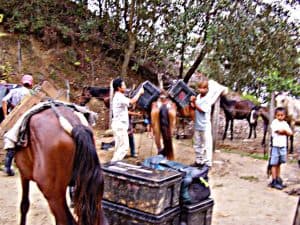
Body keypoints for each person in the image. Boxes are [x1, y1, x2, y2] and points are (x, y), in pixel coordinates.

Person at [2, 74, 34, 176]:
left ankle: (8, 166)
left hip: (12, 118)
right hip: (24, 119)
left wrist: (6, 115)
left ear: (21, 82)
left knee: (11, 139)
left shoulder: (14, 91)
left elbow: (4, 100)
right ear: (31, 84)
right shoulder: (30, 93)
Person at [111, 78, 144, 162]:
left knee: (118, 148)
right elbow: (132, 101)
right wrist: (139, 93)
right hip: (120, 126)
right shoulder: (119, 96)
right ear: (119, 88)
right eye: (123, 85)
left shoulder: (119, 96)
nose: (125, 86)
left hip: (118, 125)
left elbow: (125, 111)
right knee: (124, 147)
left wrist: (136, 114)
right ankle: (113, 165)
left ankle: (114, 165)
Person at [190, 78, 212, 168]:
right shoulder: (198, 97)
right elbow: (194, 107)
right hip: (197, 124)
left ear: (207, 89)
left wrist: (194, 104)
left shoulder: (208, 99)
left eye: (203, 88)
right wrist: (192, 102)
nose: (201, 90)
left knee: (206, 145)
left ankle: (207, 163)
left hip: (205, 125)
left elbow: (203, 110)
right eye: (199, 88)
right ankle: (199, 161)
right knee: (197, 144)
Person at [268, 107, 293, 190]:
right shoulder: (274, 123)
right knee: (274, 163)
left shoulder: (285, 124)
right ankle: (274, 180)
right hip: (276, 146)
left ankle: (278, 178)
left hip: (283, 146)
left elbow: (290, 133)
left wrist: (285, 132)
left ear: (285, 116)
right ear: (275, 116)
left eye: (282, 115)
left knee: (279, 163)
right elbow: (279, 131)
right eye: (278, 115)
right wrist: (285, 132)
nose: (280, 117)